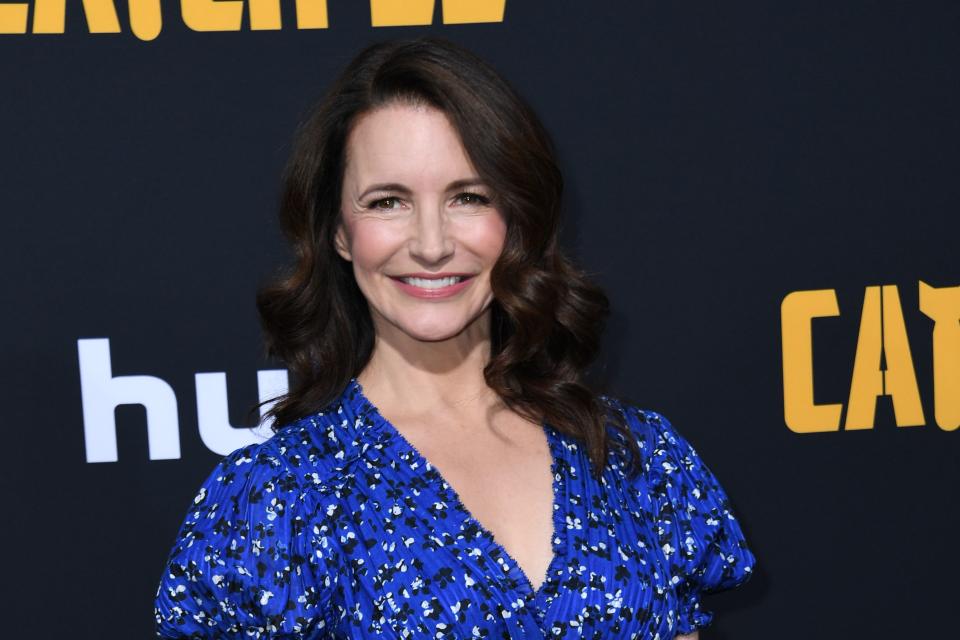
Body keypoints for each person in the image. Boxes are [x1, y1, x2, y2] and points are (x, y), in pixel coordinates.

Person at [154, 36, 755, 639]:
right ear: (339, 231)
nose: (433, 243)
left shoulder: (637, 458)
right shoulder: (271, 504)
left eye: (468, 197)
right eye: (388, 201)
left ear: (516, 217)